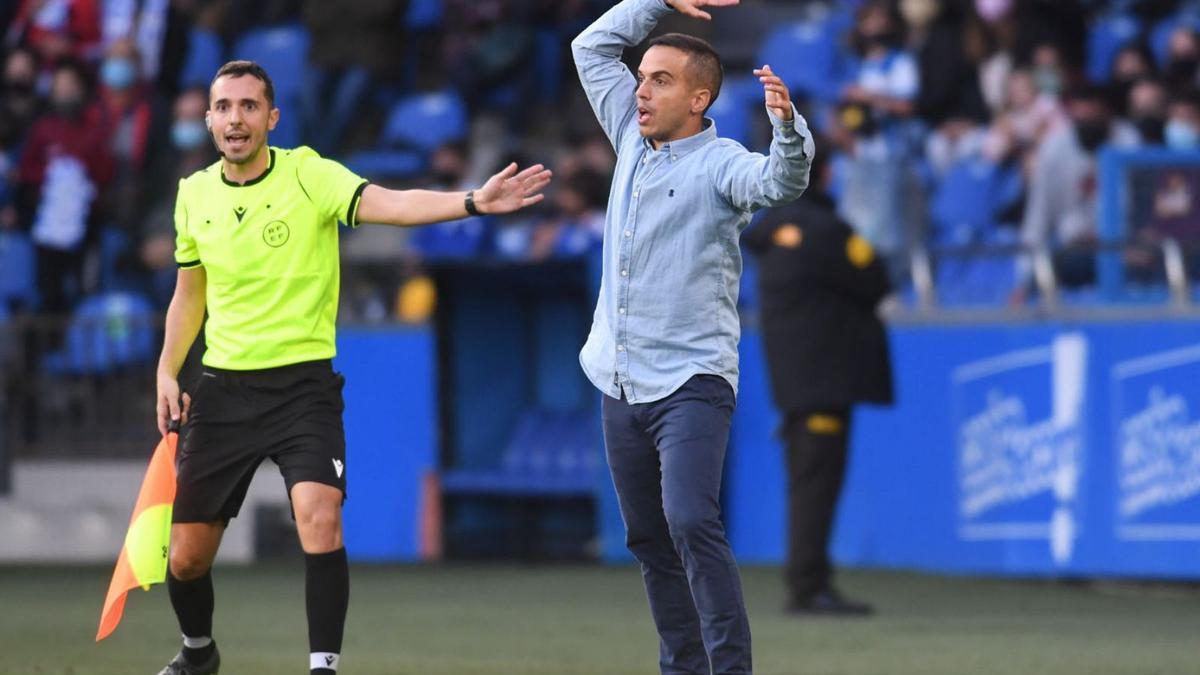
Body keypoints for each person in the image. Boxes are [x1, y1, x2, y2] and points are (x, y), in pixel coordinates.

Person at [153, 60, 550, 675]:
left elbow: (388, 203)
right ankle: (199, 652)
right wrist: (165, 371)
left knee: (321, 517)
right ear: (209, 119)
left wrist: (472, 201)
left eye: (249, 106)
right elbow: (189, 294)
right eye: (224, 107)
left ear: (271, 118)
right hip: (223, 392)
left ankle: (323, 668)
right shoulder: (193, 194)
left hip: (302, 389)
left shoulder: (308, 174)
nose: (236, 119)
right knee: (185, 560)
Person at [572, 0, 814, 672]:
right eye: (642, 77)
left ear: (700, 96)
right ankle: (683, 666)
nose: (641, 90)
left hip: (692, 382)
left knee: (688, 518)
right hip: (617, 378)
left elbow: (779, 181)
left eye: (660, 81)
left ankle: (730, 667)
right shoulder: (628, 131)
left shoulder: (721, 163)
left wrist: (787, 128)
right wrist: (654, 4)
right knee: (649, 536)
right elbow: (590, 49)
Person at [743, 148, 893, 617]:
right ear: (825, 175)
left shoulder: (769, 231)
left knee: (806, 483)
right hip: (826, 381)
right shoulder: (828, 231)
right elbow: (876, 278)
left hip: (792, 382)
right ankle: (808, 587)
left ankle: (809, 580)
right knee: (816, 487)